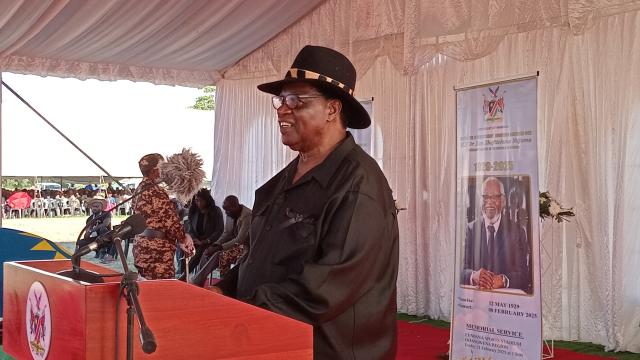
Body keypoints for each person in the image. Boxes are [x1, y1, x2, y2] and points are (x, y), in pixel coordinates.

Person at [215, 45, 399, 359]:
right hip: (274, 341)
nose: (282, 110)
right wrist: (225, 288)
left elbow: (326, 288)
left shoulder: (358, 187)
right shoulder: (284, 180)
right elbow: (261, 256)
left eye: (296, 100)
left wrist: (243, 306)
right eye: (281, 100)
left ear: (332, 110)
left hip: (328, 350)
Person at [462, 177, 530, 292]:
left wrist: (504, 280)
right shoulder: (471, 229)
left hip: (504, 303)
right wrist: (473, 275)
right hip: (477, 299)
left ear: (503, 201)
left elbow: (524, 276)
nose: (490, 201)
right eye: (486, 196)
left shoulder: (517, 232)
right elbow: (461, 270)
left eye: (495, 197)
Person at [132, 153, 194, 280]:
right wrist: (183, 238)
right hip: (157, 251)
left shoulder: (139, 189)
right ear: (155, 170)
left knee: (146, 286)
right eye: (163, 167)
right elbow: (170, 221)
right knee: (161, 289)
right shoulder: (156, 191)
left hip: (142, 246)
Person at [190, 195, 251, 286]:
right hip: (234, 245)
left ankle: (224, 284)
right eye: (225, 210)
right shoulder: (231, 213)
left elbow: (240, 239)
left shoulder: (247, 215)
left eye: (228, 210)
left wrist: (219, 247)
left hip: (246, 247)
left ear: (236, 206)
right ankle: (199, 279)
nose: (226, 213)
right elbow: (226, 233)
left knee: (220, 255)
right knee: (206, 252)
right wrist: (215, 244)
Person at [181, 189, 224, 277]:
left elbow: (219, 230)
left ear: (207, 200)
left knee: (199, 251)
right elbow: (191, 228)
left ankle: (184, 275)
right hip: (196, 239)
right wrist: (193, 238)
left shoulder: (215, 211)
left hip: (209, 241)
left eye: (201, 201)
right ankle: (182, 272)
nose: (199, 203)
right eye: (197, 200)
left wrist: (206, 241)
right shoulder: (193, 211)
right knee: (184, 247)